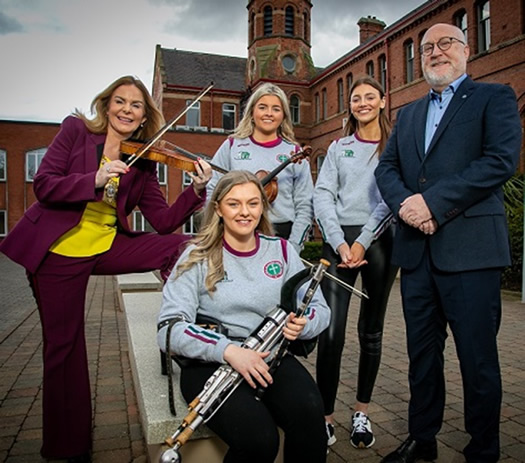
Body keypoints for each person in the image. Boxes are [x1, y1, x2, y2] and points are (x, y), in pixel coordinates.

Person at [0, 75, 212, 462]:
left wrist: (195, 190)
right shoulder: (76, 131)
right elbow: (44, 184)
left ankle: (181, 323)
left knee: (181, 245)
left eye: (136, 105)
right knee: (64, 349)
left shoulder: (144, 158)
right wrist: (94, 178)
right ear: (106, 104)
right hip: (59, 251)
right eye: (120, 101)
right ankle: (69, 447)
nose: (127, 110)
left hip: (107, 246)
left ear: (145, 114)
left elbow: (163, 221)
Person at [374, 23, 521, 463]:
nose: (436, 52)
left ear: (465, 50)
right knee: (422, 357)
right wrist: (406, 207)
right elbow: (387, 170)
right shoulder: (408, 113)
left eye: (445, 44)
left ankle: (484, 449)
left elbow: (500, 161)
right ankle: (423, 440)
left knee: (477, 360)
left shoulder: (494, 98)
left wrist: (432, 204)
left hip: (471, 252)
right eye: (426, 48)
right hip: (417, 256)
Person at [158, 170, 330, 463]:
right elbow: (169, 329)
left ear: (262, 207)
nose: (244, 212)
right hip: (212, 362)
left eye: (252, 203)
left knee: (311, 418)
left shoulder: (283, 251)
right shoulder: (195, 256)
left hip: (269, 357)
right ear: (218, 209)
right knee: (259, 440)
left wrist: (304, 325)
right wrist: (228, 350)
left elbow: (319, 309)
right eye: (234, 204)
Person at [313, 75, 398, 449]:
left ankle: (361, 411)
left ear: (382, 101)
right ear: (350, 106)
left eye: (369, 97)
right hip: (338, 243)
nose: (362, 102)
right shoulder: (337, 147)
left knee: (371, 332)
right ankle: (324, 416)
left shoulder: (394, 146)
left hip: (379, 242)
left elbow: (390, 198)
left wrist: (362, 241)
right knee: (331, 332)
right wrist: (338, 241)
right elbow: (323, 195)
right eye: (356, 98)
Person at [206, 82, 313, 253]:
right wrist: (218, 228)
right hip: (236, 230)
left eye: (276, 109)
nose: (269, 114)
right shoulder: (232, 145)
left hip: (281, 232)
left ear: (284, 115)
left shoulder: (294, 152)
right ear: (252, 112)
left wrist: (294, 246)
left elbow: (305, 204)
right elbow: (213, 188)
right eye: (262, 107)